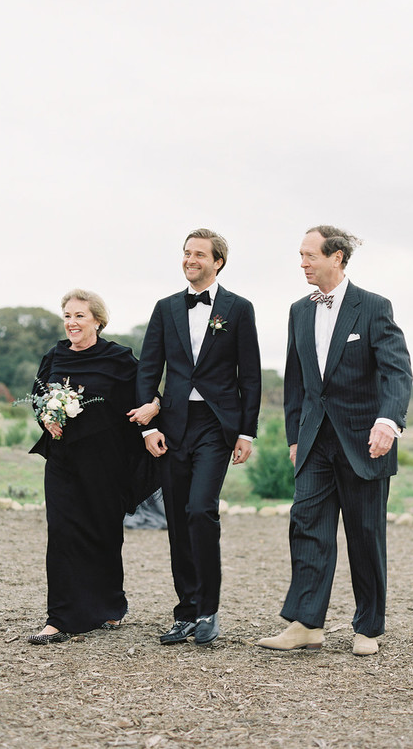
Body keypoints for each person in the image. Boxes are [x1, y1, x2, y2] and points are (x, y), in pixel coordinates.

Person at [257, 226, 412, 656]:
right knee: (307, 526)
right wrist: (294, 436)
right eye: (301, 255)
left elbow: (397, 371)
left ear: (337, 257)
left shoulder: (374, 307)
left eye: (309, 255)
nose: (302, 262)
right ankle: (307, 624)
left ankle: (368, 628)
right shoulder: (298, 311)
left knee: (365, 534)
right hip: (313, 443)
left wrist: (389, 421)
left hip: (366, 442)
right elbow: (296, 380)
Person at [129, 229, 262, 646]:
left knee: (201, 510)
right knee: (176, 521)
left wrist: (247, 431)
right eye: (186, 253)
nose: (190, 260)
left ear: (217, 261)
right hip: (173, 424)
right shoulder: (165, 308)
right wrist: (149, 427)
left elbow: (251, 374)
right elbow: (148, 368)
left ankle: (208, 609)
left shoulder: (238, 308)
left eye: (199, 254)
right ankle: (185, 613)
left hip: (216, 425)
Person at [27, 289, 159, 645]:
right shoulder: (54, 355)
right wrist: (45, 418)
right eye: (67, 316)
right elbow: (38, 397)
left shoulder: (118, 358)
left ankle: (110, 605)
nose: (71, 322)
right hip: (63, 460)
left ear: (98, 320)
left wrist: (154, 408)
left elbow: (146, 392)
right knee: (62, 533)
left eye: (79, 316)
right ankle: (60, 617)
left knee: (103, 532)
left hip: (105, 462)